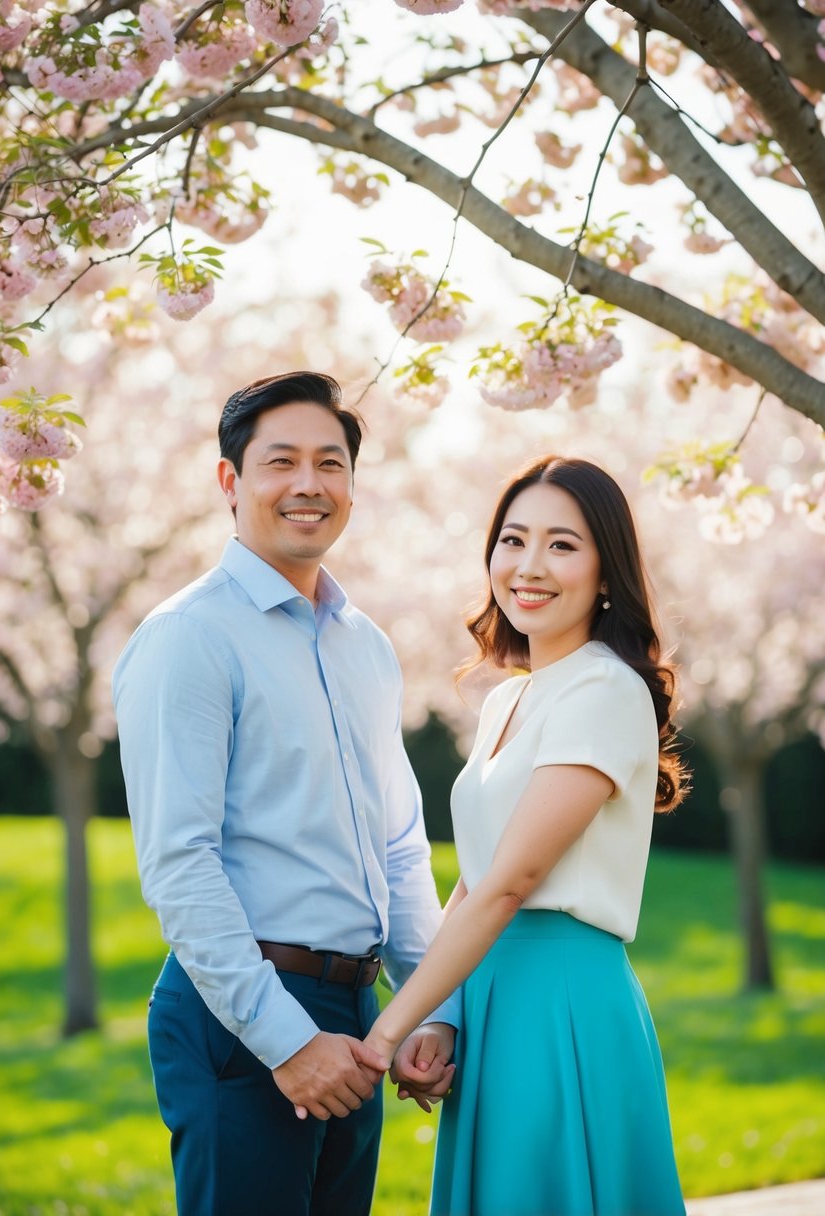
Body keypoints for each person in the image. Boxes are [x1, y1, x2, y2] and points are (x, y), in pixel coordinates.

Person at [112, 371, 457, 1216]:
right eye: (282, 462)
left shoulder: (366, 646)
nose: (309, 485)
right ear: (231, 482)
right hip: (245, 1009)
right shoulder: (189, 638)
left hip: (359, 1008)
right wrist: (285, 1040)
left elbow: (400, 845)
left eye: (331, 464)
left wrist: (425, 1008)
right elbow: (179, 865)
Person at [367, 455, 689, 1216]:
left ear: (607, 572)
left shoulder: (605, 687)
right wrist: (440, 1018)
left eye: (562, 545)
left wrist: (385, 1031)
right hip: (492, 995)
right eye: (512, 540)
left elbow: (512, 882)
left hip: (562, 1004)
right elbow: (478, 877)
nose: (528, 566)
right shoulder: (506, 701)